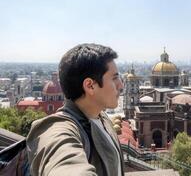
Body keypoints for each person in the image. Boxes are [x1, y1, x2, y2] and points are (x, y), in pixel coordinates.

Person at [26, 43, 124, 176]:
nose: (121, 85)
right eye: (114, 78)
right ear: (90, 86)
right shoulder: (57, 128)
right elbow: (64, 162)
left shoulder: (102, 118)